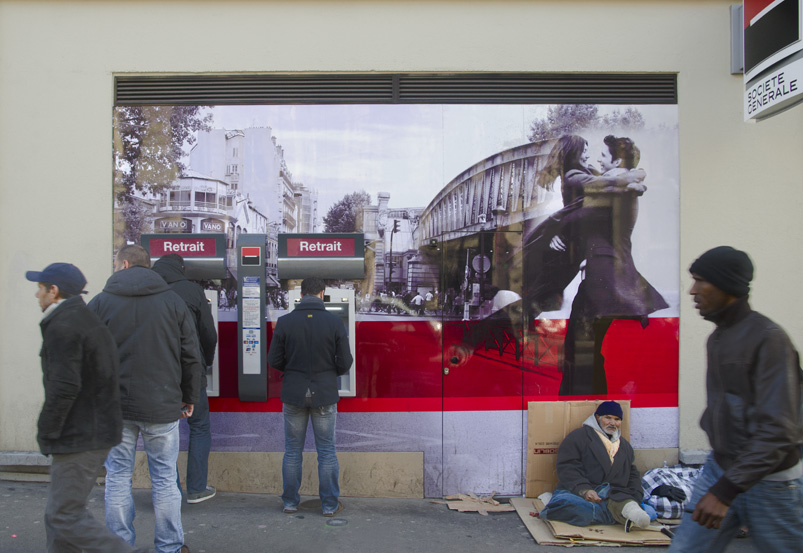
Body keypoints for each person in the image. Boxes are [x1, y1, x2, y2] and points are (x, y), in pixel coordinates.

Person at [669, 246, 803, 553]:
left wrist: (725, 492)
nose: (692, 291)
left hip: (771, 480)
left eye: (700, 281)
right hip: (721, 468)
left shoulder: (769, 339)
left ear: (727, 286)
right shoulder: (717, 338)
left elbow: (780, 431)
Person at [25, 263, 149, 553]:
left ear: (53, 291)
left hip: (80, 435)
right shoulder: (82, 318)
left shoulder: (65, 326)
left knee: (64, 516)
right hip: (91, 430)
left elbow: (64, 387)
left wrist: (47, 431)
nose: (36, 294)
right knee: (58, 515)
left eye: (40, 288)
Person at [89, 245, 203, 553]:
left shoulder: (100, 303)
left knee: (117, 477)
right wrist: (190, 396)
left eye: (115, 264)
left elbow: (85, 356)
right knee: (165, 479)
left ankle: (118, 545)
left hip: (114, 408)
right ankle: (169, 546)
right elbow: (190, 355)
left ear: (124, 264)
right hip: (162, 405)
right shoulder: (173, 302)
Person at [559, 135, 667, 395]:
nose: (597, 159)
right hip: (606, 273)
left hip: (603, 276)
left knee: (581, 347)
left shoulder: (616, 190)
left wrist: (561, 228)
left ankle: (582, 405)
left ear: (617, 161)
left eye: (603, 156)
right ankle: (591, 405)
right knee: (588, 349)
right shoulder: (623, 185)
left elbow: (583, 211)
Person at [268, 277, 353, 517]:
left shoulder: (285, 322)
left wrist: (293, 370)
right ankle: (328, 505)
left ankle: (290, 502)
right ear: (322, 294)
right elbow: (345, 362)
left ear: (301, 294)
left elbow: (273, 360)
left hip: (294, 393)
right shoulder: (334, 322)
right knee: (326, 451)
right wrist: (328, 374)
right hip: (324, 393)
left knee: (292, 450)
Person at [152, 254, 218, 504]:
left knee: (162, 432)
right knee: (199, 426)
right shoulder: (192, 290)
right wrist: (205, 361)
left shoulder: (150, 291)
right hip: (191, 371)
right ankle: (197, 488)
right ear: (181, 269)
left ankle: (170, 492)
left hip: (158, 375)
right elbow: (208, 334)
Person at [539, 401, 653, 529]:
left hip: (614, 495)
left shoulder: (625, 446)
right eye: (607, 418)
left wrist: (635, 497)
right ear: (598, 418)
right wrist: (585, 489)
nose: (612, 423)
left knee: (650, 512)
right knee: (567, 504)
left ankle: (624, 509)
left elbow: (632, 474)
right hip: (579, 494)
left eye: (617, 419)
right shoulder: (578, 437)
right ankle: (618, 514)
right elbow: (567, 467)